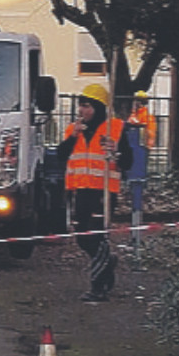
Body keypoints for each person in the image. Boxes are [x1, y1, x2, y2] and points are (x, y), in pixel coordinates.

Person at [59, 84, 132, 302]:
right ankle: (107, 261)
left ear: (99, 108)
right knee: (82, 238)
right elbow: (60, 156)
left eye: (87, 106)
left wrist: (115, 153)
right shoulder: (73, 130)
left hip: (103, 192)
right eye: (81, 106)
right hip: (80, 190)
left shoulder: (116, 129)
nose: (82, 111)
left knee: (97, 237)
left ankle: (98, 287)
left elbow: (128, 161)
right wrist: (72, 137)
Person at [122, 91, 155, 232]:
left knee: (138, 182)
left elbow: (148, 133)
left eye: (138, 101)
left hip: (140, 151)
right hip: (135, 151)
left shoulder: (146, 117)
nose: (136, 103)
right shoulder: (134, 115)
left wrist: (146, 146)